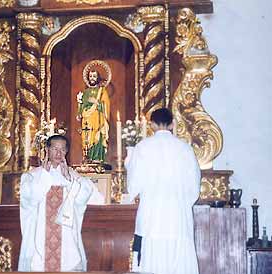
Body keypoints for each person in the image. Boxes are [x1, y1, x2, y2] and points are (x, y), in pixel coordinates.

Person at [126, 108, 200, 274]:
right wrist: (181, 204)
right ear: (173, 124)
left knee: (153, 265)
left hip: (152, 219)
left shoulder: (142, 147)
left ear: (151, 125)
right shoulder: (185, 149)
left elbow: (133, 185)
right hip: (178, 220)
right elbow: (194, 188)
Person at [18, 135, 104, 272]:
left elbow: (94, 197)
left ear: (66, 152)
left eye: (62, 150)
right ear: (47, 150)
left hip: (67, 241)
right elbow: (29, 199)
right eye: (55, 149)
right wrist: (44, 177)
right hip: (39, 240)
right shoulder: (32, 176)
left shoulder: (73, 176)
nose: (59, 153)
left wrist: (70, 181)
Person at [77, 70, 110, 162]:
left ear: (97, 78)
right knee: (87, 136)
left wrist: (96, 102)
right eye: (90, 76)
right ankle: (88, 158)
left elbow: (106, 105)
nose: (92, 78)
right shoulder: (85, 92)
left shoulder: (101, 91)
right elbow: (82, 105)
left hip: (98, 118)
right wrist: (79, 112)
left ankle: (97, 158)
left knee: (98, 135)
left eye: (94, 76)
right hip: (87, 118)